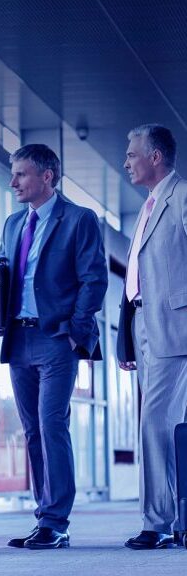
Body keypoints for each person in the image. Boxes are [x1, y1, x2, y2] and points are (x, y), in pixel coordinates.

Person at [0, 144, 107, 549]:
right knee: (32, 430)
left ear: (47, 177)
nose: (13, 182)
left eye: (21, 174)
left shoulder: (79, 219)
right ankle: (45, 518)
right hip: (19, 337)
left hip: (57, 337)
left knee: (51, 423)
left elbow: (94, 278)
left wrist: (76, 329)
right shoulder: (11, 223)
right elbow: (3, 274)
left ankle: (56, 521)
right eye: (13, 174)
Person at [117, 124, 187, 550]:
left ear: (155, 157)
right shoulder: (147, 205)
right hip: (145, 327)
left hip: (173, 327)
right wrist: (128, 335)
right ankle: (171, 519)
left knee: (154, 422)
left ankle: (158, 522)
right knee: (161, 424)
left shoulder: (180, 196)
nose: (126, 161)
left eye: (132, 154)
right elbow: (137, 278)